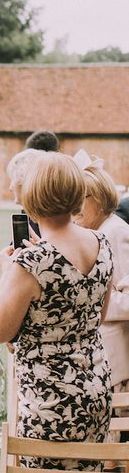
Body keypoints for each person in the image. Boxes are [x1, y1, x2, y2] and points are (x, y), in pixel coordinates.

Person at [0, 152, 113, 473]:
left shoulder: (31, 261)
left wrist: (7, 273)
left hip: (49, 400)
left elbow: (1, 330)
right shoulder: (103, 245)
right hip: (94, 392)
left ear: (32, 198)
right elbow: (96, 317)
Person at [73, 152, 129, 453]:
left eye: (82, 198)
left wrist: (92, 299)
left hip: (119, 356)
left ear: (99, 198)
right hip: (101, 357)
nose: (75, 207)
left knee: (115, 443)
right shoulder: (94, 232)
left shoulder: (117, 233)